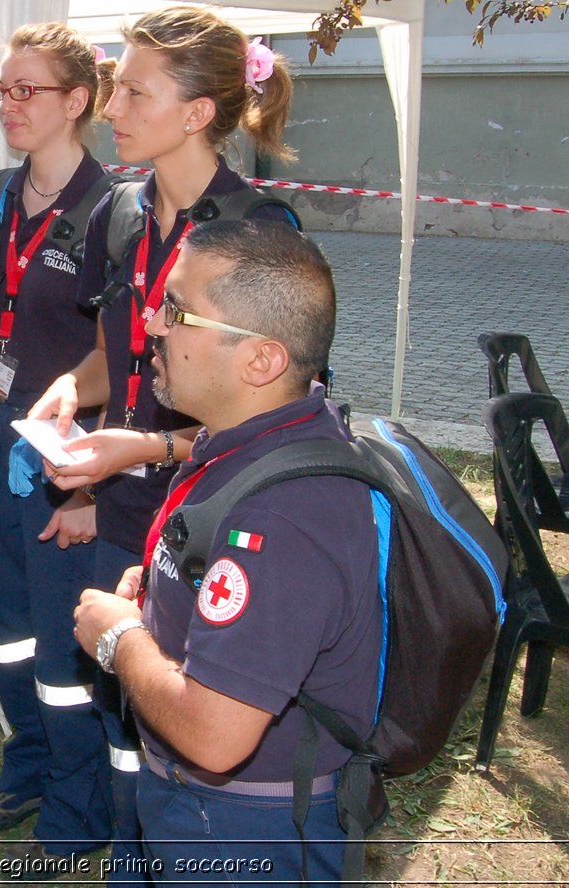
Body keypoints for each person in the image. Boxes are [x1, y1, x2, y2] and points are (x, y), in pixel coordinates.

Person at [27, 7, 299, 882]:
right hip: (129, 505)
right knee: (124, 702)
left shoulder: (257, 236)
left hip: (216, 518)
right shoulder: (121, 214)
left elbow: (274, 424)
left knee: (193, 718)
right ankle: (129, 854)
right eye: (115, 86)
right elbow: (126, 352)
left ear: (197, 113)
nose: (113, 107)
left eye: (136, 91)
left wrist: (134, 454)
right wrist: (78, 390)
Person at [73, 219, 382, 886]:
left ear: (261, 360)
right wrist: (164, 593)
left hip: (242, 830)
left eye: (177, 311)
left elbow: (216, 736)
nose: (152, 324)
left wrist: (120, 639)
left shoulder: (286, 519)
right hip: (213, 810)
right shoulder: (259, 436)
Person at [0, 23, 115, 871]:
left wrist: (84, 488)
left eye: (26, 90)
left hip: (63, 468)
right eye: (1, 90)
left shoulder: (112, 210)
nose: (8, 104)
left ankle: (76, 818)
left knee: (60, 642)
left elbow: (123, 360)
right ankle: (29, 766)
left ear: (76, 101)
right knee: (7, 632)